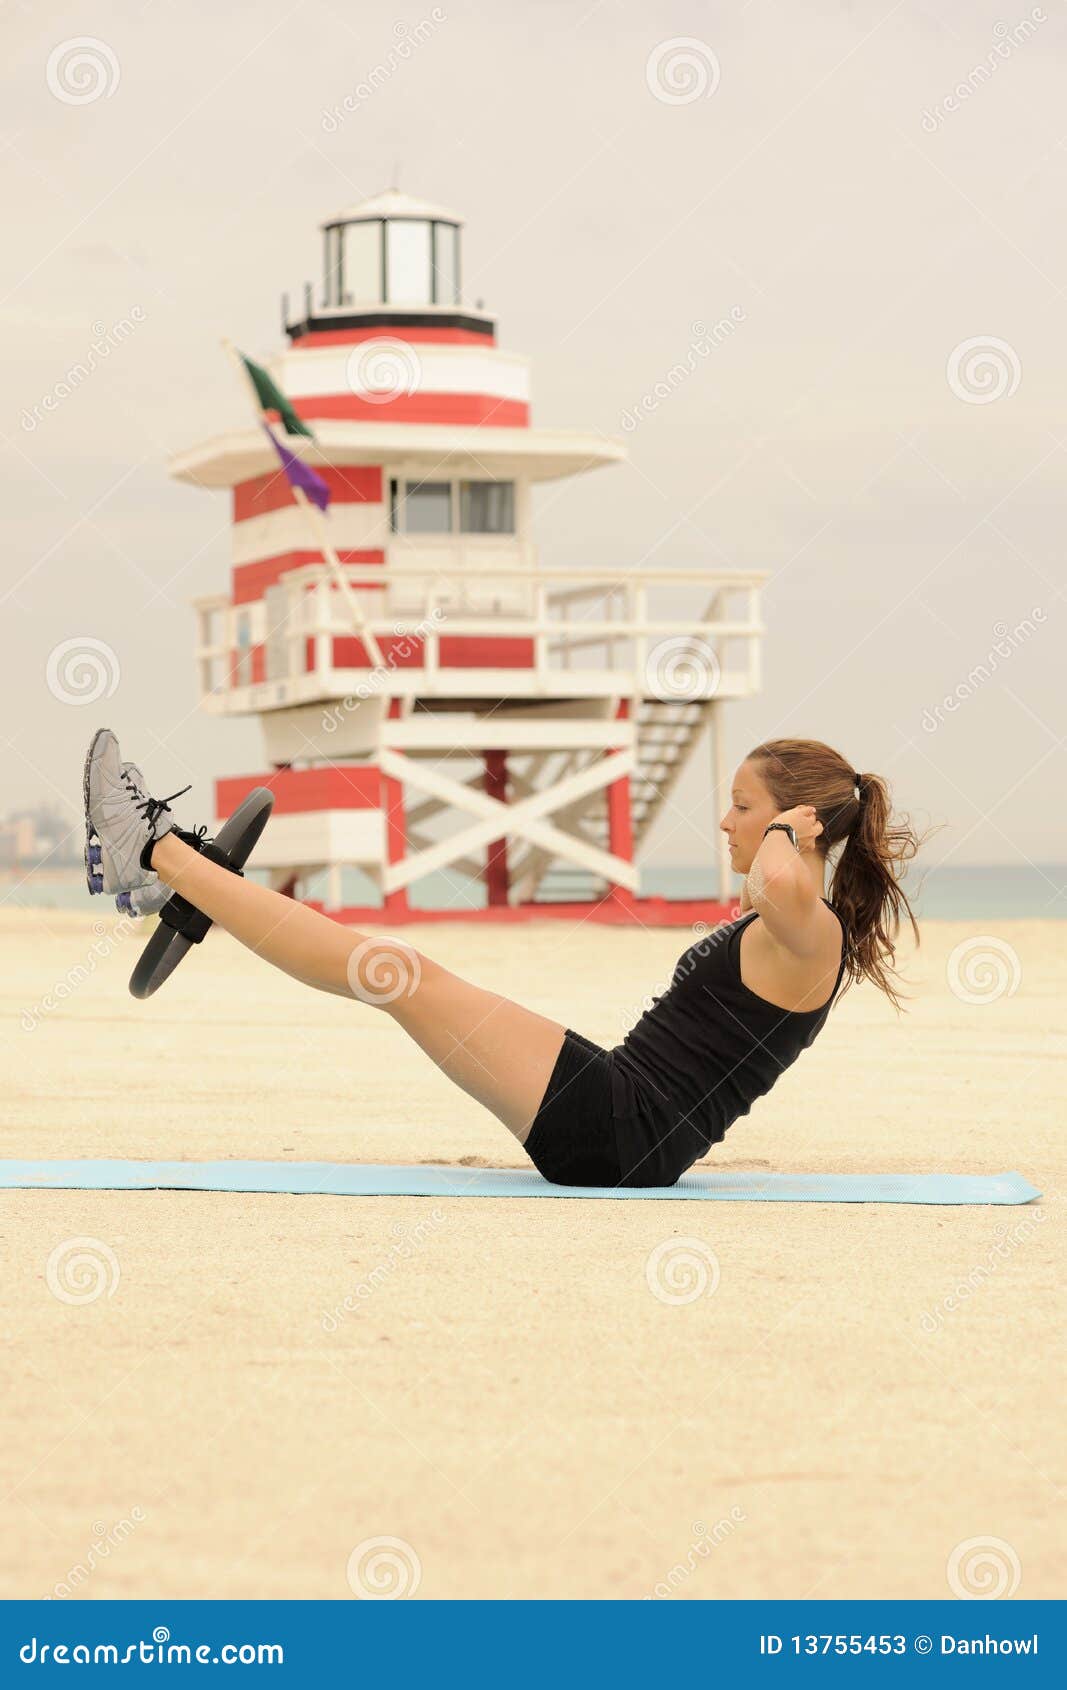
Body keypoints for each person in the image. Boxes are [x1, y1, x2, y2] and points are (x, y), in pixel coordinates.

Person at [83, 729, 922, 1189]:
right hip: (623, 1111)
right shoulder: (792, 919)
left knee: (396, 974)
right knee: (397, 973)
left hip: (622, 1134)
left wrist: (786, 832)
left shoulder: (812, 930)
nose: (727, 824)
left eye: (742, 807)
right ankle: (182, 878)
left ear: (799, 822)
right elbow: (767, 885)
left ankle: (155, 854)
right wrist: (785, 829)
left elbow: (776, 877)